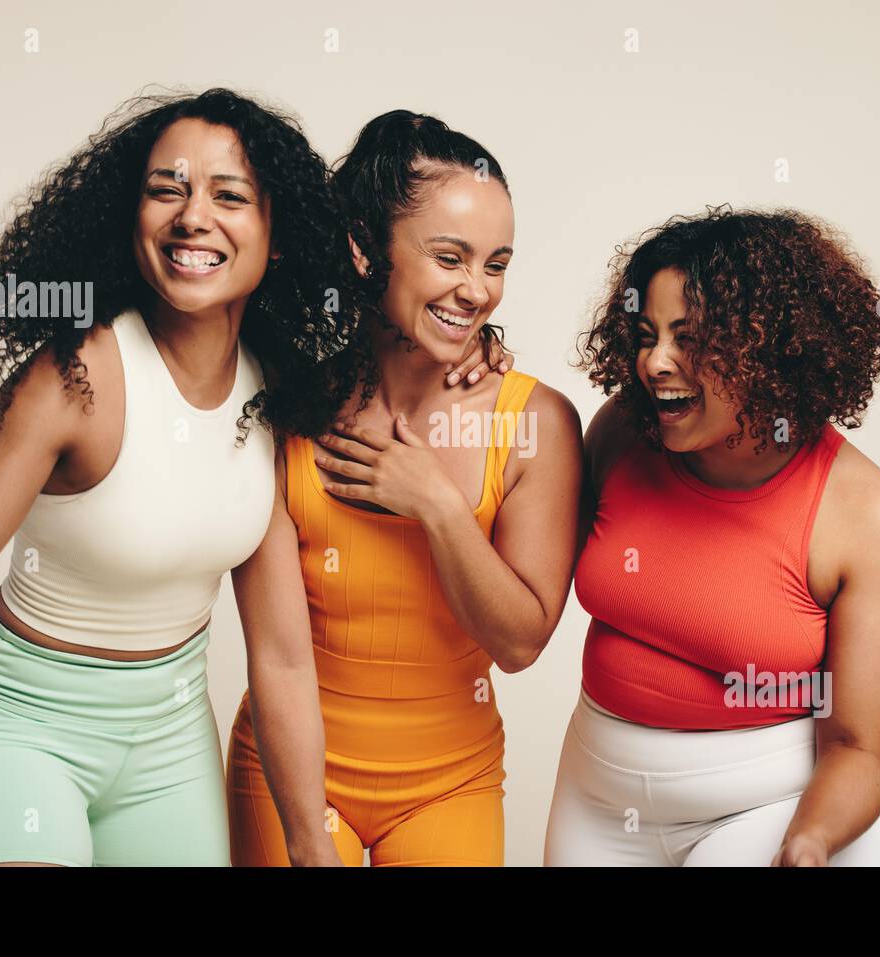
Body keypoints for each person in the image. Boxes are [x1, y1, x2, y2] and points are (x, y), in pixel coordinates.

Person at [0, 88, 498, 867]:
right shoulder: (74, 378)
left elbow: (281, 656)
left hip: (168, 758)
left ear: (277, 236)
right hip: (18, 736)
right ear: (133, 216)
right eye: (166, 190)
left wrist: (309, 839)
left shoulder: (282, 393)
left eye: (229, 196)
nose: (193, 217)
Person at [226, 110, 582, 866]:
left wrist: (438, 505)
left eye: (496, 263)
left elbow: (520, 640)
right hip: (291, 775)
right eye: (449, 256)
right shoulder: (288, 407)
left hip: (450, 783)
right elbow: (280, 657)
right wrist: (303, 839)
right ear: (363, 249)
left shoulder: (535, 421)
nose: (477, 290)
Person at [544, 206, 880, 866]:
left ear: (771, 349)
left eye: (689, 338)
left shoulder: (872, 520)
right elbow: (525, 589)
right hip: (601, 796)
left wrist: (808, 844)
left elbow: (857, 749)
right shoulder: (620, 434)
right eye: (647, 335)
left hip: (776, 806)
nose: (654, 362)